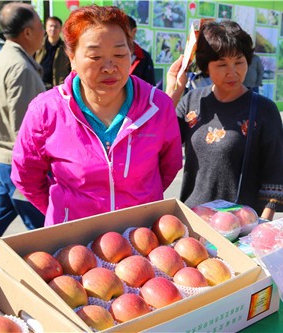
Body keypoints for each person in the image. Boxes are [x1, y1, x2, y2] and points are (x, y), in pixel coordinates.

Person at [11, 5, 182, 227]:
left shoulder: (158, 106)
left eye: (120, 54)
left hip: (142, 238)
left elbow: (168, 168)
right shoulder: (45, 111)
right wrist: (62, 211)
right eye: (95, 56)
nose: (110, 67)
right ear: (71, 57)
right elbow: (26, 177)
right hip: (73, 244)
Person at [166, 20, 283, 220]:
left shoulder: (264, 109)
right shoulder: (191, 103)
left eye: (239, 62)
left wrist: (261, 227)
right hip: (194, 220)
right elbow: (159, 143)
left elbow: (273, 177)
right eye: (222, 64)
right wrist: (174, 93)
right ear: (206, 67)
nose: (232, 72)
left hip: (240, 225)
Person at [0, 2, 46, 247]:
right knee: (46, 231)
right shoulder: (20, 68)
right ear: (27, 33)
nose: (43, 32)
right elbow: (26, 131)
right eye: (40, 26)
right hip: (17, 165)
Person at [34, 16, 71, 89]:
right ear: (46, 28)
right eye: (50, 26)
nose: (53, 29)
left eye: (56, 27)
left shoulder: (66, 48)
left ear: (61, 29)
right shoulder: (37, 45)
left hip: (57, 86)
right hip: (38, 84)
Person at [127, 15, 156, 86]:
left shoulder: (144, 57)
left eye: (124, 31)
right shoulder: (109, 55)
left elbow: (150, 87)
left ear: (134, 31)